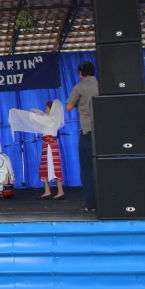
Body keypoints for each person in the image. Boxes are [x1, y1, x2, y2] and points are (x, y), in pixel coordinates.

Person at [9, 99, 65, 200]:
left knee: (52, 166)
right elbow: (41, 115)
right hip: (50, 145)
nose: (45, 110)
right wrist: (37, 112)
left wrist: (16, 112)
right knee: (49, 167)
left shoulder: (49, 120)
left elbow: (34, 117)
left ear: (51, 109)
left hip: (49, 146)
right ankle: (51, 191)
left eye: (46, 108)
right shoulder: (53, 120)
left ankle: (57, 191)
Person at [67, 61, 99, 212]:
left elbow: (68, 107)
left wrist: (80, 102)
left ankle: (90, 204)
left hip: (87, 131)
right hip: (103, 132)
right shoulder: (101, 85)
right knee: (104, 166)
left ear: (81, 73)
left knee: (87, 169)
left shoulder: (79, 87)